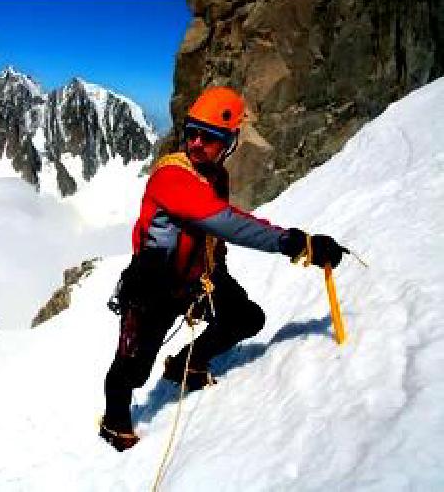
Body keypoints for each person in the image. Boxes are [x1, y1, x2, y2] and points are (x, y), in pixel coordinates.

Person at [100, 86, 347, 451]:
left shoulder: (214, 175)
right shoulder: (172, 178)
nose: (197, 144)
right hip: (153, 288)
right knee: (132, 369)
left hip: (198, 276)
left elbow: (216, 227)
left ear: (229, 141)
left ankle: (186, 364)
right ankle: (114, 423)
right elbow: (225, 222)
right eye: (191, 133)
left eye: (210, 138)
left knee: (245, 318)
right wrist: (295, 242)